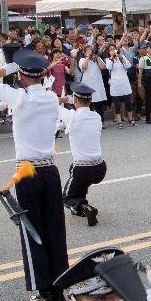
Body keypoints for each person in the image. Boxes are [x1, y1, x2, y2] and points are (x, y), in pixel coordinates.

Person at [0, 48, 70, 301]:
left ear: (21, 75)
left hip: (27, 171)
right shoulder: (51, 98)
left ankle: (44, 290)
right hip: (50, 170)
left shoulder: (19, 97)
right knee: (54, 229)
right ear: (43, 74)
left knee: (32, 229)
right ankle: (58, 287)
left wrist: (10, 66)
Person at [60, 82, 107, 226]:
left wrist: (63, 99)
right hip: (100, 168)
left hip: (83, 169)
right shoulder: (96, 117)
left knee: (66, 198)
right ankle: (80, 204)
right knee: (72, 170)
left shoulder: (72, 117)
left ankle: (84, 207)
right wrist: (71, 99)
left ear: (75, 100)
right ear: (90, 100)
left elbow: (51, 104)